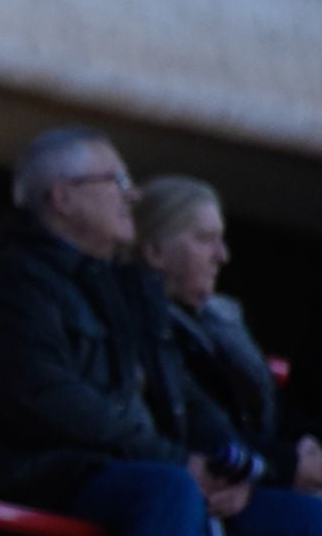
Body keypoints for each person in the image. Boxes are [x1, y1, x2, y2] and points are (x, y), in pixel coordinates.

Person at [0, 126, 322, 536]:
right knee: (166, 492)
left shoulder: (120, 286)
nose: (132, 194)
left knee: (308, 521)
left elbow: (182, 399)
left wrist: (238, 469)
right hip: (39, 472)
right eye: (115, 180)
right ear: (62, 197)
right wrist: (178, 463)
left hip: (122, 468)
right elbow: (54, 405)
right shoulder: (9, 283)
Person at [135, 175, 322, 494]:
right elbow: (193, 425)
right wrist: (288, 463)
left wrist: (308, 442)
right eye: (205, 239)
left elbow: (272, 411)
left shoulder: (221, 324)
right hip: (212, 485)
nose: (222, 256)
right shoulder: (141, 325)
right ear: (154, 251)